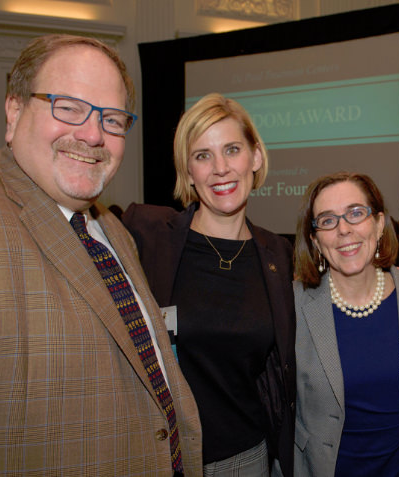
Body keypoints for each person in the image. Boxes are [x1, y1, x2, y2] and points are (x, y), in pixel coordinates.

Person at [0, 35, 202, 476]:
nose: (93, 134)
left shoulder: (113, 230)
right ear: (14, 111)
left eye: (111, 119)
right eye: (69, 107)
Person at [121, 93, 295, 477]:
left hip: (245, 458)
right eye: (203, 155)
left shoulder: (278, 254)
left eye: (232, 149)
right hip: (160, 457)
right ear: (188, 170)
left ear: (256, 157)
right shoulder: (145, 235)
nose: (220, 168)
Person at [293, 171, 399, 476]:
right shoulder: (292, 307)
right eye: (327, 220)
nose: (344, 230)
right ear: (315, 239)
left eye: (356, 213)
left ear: (379, 224)